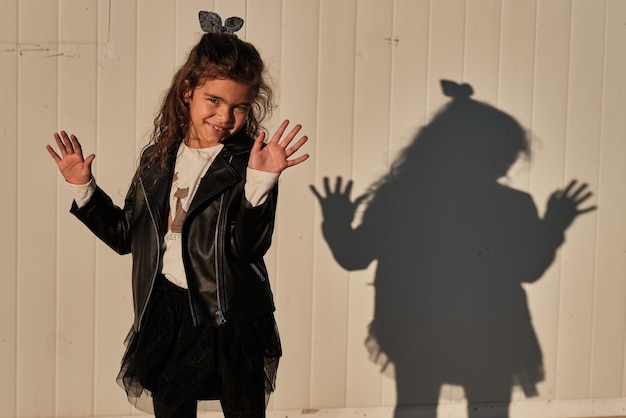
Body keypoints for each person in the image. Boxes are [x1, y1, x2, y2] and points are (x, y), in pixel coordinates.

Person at [46, 11, 309, 418]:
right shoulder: (156, 160)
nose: (224, 117)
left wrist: (260, 185)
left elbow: (246, 248)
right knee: (171, 409)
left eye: (239, 107)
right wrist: (84, 189)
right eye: (214, 101)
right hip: (168, 314)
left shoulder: (249, 163)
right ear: (188, 91)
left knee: (243, 409)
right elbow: (123, 236)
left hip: (231, 313)